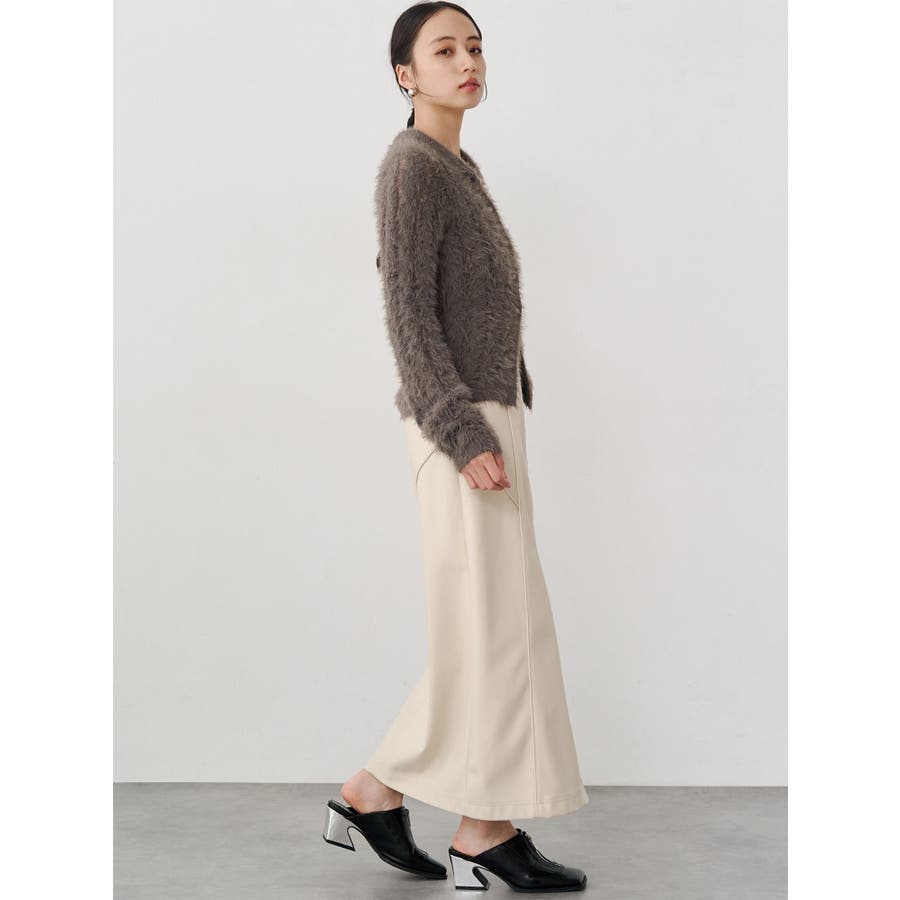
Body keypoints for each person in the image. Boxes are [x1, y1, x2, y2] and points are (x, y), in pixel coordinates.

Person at [322, 3, 588, 891]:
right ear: (405, 75)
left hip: (484, 414)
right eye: (444, 50)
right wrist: (463, 428)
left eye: (474, 47)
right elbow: (407, 315)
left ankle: (391, 797)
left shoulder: (454, 166)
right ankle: (475, 828)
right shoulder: (412, 168)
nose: (467, 60)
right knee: (495, 629)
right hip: (459, 423)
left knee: (494, 628)